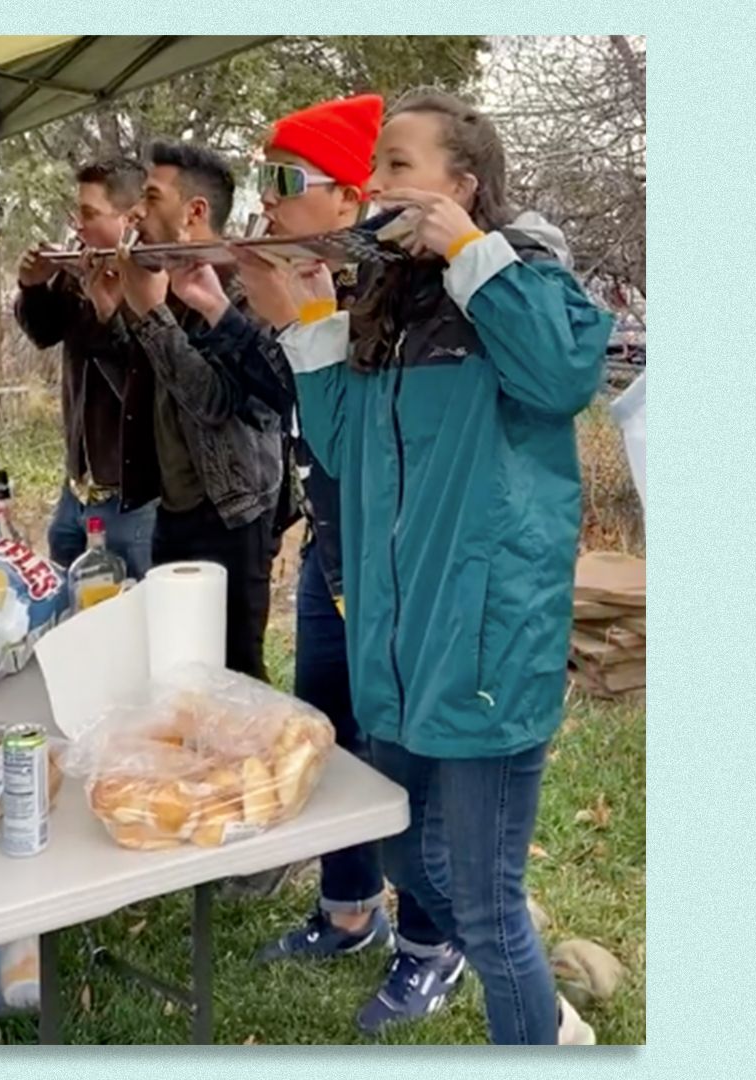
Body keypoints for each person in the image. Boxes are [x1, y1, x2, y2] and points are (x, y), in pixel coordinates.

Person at [251, 89, 614, 1045]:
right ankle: (530, 985)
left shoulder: (522, 280)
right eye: (376, 166)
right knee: (407, 850)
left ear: (463, 185)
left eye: (398, 165)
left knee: (488, 906)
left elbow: (564, 376)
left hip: (486, 646)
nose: (374, 185)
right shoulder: (393, 302)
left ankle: (534, 1016)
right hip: (400, 644)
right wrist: (308, 314)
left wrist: (468, 253)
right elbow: (336, 447)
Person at [199, 93, 468, 1035]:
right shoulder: (308, 277)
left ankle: (433, 943)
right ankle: (348, 907)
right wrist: (218, 312)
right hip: (329, 551)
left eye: (284, 182)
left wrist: (288, 315)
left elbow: (360, 431)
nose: (264, 203)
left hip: (395, 567)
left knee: (408, 757)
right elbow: (281, 404)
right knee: (322, 731)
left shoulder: (403, 292)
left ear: (353, 199)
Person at [112, 140, 285, 682]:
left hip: (232, 517)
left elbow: (214, 402)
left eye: (150, 196)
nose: (136, 212)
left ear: (195, 212)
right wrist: (117, 304)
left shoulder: (249, 286)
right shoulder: (161, 279)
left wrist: (149, 313)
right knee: (176, 670)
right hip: (174, 510)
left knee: (235, 680)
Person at [13, 158, 158, 581]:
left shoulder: (154, 278)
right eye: (77, 213)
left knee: (131, 621)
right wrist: (34, 285)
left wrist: (107, 310)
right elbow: (43, 333)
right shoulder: (78, 270)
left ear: (130, 217)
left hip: (131, 499)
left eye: (90, 214)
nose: (78, 225)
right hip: (75, 488)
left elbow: (144, 380)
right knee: (68, 609)